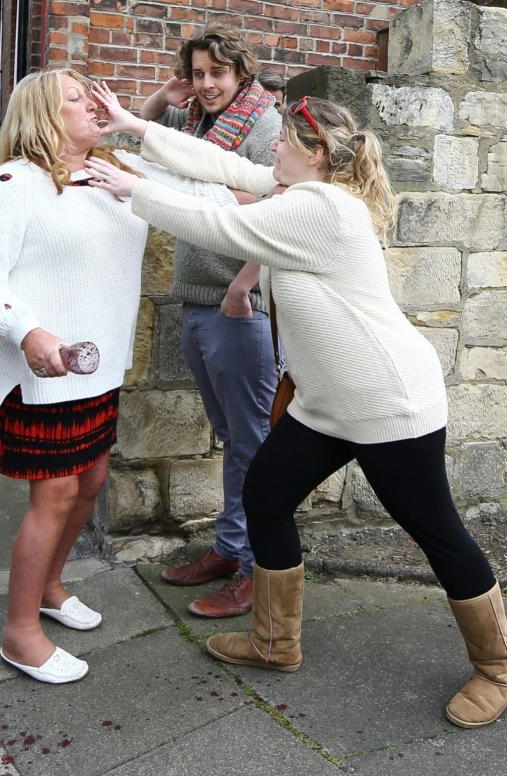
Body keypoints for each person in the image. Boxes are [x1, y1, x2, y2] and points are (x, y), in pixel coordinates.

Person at [87, 86, 507, 730]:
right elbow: (224, 167)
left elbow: (223, 223)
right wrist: (135, 128)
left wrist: (134, 192)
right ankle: (275, 641)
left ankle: (499, 669)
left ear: (314, 152)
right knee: (266, 496)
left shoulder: (322, 207)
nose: (274, 150)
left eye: (284, 141)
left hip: (386, 404)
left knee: (435, 530)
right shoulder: (302, 191)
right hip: (325, 402)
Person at [0, 69, 237, 685]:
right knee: (53, 496)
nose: (92, 104)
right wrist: (27, 331)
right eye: (76, 99)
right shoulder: (13, 182)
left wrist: (261, 195)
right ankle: (19, 633)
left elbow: (208, 194)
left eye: (92, 95)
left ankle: (51, 589)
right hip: (41, 370)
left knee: (91, 484)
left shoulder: (118, 172)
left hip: (99, 365)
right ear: (42, 116)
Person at [137, 23, 285, 617]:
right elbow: (142, 137)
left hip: (236, 305)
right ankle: (230, 548)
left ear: (239, 73)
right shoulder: (195, 122)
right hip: (199, 300)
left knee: (252, 442)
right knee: (232, 438)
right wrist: (160, 97)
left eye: (216, 74)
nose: (206, 84)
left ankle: (257, 570)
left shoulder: (263, 124)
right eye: (197, 73)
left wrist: (244, 286)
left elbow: (279, 210)